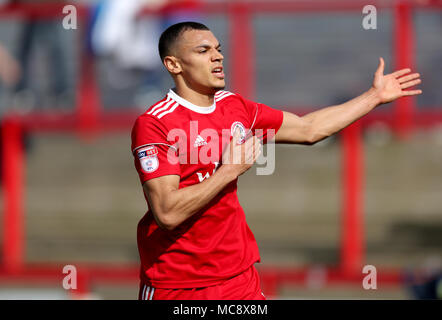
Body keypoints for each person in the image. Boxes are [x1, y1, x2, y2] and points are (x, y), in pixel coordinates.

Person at [130, 22, 422, 300]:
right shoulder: (156, 123)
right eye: (203, 51)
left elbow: (309, 129)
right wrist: (229, 171)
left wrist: (373, 97)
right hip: (177, 284)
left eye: (218, 49)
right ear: (174, 65)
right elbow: (167, 213)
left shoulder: (235, 107)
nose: (217, 56)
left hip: (238, 278)